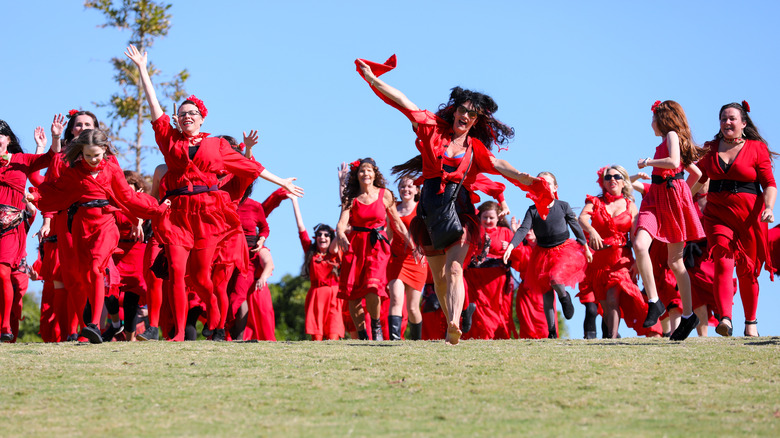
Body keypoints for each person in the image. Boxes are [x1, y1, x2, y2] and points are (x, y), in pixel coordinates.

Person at [355, 55, 553, 344]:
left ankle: (452, 323)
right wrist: (373, 79)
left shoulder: (475, 148)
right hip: (430, 212)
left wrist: (529, 180)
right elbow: (404, 102)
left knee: (455, 268)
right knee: (439, 278)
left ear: (477, 121)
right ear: (455, 110)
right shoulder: (434, 128)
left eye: (472, 115)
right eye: (463, 110)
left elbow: (500, 166)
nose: (466, 117)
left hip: (459, 211)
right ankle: (452, 321)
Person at [126, 44, 303, 341]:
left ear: (202, 118)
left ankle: (218, 319)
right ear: (177, 118)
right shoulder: (169, 141)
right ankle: (179, 334)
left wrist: (281, 181)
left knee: (200, 278)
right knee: (178, 273)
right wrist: (143, 69)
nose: (187, 117)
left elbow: (250, 167)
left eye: (192, 113)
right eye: (182, 114)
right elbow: (155, 108)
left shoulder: (217, 146)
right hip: (179, 215)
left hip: (209, 214)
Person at [29, 129, 166, 343]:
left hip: (105, 224)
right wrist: (35, 195)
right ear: (80, 153)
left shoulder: (112, 169)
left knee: (96, 268)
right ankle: (94, 324)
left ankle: (93, 325)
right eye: (88, 155)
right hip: (81, 226)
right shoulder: (74, 172)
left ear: (104, 150)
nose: (93, 160)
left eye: (97, 155)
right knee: (86, 276)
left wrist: (156, 208)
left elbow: (127, 197)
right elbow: (56, 190)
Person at [690, 101, 776, 337]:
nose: (727, 122)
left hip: (750, 217)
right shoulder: (710, 148)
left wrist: (769, 208)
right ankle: (725, 317)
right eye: (723, 118)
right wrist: (684, 196)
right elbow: (698, 177)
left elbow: (769, 184)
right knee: (722, 260)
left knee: (748, 270)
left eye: (732, 118)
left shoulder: (757, 148)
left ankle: (751, 323)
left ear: (743, 123)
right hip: (718, 214)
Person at [634, 100, 706, 341]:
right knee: (640, 244)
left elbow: (676, 163)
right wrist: (683, 191)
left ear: (663, 119)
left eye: (653, 119)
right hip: (654, 199)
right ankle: (654, 301)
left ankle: (688, 316)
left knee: (676, 263)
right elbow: (695, 174)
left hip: (669, 200)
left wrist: (649, 164)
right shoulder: (663, 143)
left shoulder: (672, 135)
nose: (650, 124)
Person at [504, 172, 591, 339]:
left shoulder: (563, 206)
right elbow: (523, 229)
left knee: (555, 278)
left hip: (563, 250)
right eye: (540, 183)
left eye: (548, 183)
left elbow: (575, 227)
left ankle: (565, 298)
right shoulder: (533, 210)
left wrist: (585, 247)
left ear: (555, 187)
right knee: (546, 293)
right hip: (542, 252)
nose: (544, 187)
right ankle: (551, 331)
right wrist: (511, 245)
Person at [332, 158, 412, 340]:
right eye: (362, 171)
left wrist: (412, 244)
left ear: (375, 173)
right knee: (352, 296)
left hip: (377, 245)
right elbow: (341, 223)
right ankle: (362, 335)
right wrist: (341, 233)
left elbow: (397, 223)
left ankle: (376, 326)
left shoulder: (385, 194)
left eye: (369, 170)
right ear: (357, 175)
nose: (365, 174)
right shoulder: (350, 198)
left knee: (372, 288)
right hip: (355, 246)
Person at [579, 165, 662, 338]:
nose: (612, 180)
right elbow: (582, 219)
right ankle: (613, 336)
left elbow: (635, 237)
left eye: (616, 177)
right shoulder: (594, 201)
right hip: (598, 261)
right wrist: (592, 230)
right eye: (607, 178)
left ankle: (612, 338)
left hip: (620, 259)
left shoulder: (631, 206)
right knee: (606, 307)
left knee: (612, 298)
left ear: (624, 182)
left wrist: (637, 263)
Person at [0, 118, 58, 341]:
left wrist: (53, 137)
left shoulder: (21, 160)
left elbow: (50, 157)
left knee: (3, 272)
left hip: (11, 227)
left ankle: (6, 327)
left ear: (8, 139)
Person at [290, 196, 344, 341]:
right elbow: (301, 229)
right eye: (319, 234)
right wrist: (294, 201)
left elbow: (342, 225)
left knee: (333, 334)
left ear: (331, 237)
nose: (322, 237)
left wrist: (343, 190)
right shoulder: (311, 251)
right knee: (317, 337)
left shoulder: (335, 253)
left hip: (334, 295)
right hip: (316, 296)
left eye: (326, 235)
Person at [465, 201, 515, 339]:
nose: (488, 221)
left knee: (494, 310)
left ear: (498, 218)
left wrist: (510, 248)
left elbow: (519, 256)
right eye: (485, 217)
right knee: (478, 310)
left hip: (495, 280)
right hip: (474, 278)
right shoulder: (473, 232)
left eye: (491, 218)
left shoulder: (505, 232)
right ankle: (479, 338)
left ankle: (491, 336)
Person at [386, 176, 427, 340]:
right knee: (396, 299)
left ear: (417, 190)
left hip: (417, 260)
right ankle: (394, 340)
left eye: (410, 186)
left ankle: (416, 341)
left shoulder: (421, 209)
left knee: (412, 308)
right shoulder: (393, 208)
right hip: (396, 259)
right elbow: (389, 233)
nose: (406, 189)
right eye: (402, 186)